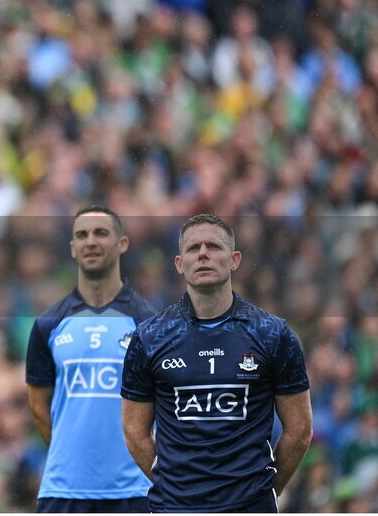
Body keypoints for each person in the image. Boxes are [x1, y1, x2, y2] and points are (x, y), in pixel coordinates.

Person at [121, 214, 312, 512]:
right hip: (175, 507)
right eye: (193, 248)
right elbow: (134, 430)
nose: (203, 254)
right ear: (179, 264)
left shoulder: (273, 333)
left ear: (235, 259)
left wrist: (263, 491)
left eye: (214, 246)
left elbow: (299, 430)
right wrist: (173, 484)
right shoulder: (149, 337)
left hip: (250, 506)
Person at [26, 205, 155, 512]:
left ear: (122, 243)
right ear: (72, 248)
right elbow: (38, 406)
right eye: (81, 235)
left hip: (135, 490)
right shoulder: (48, 324)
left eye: (101, 233)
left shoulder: (150, 324)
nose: (91, 241)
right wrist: (76, 457)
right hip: (64, 490)